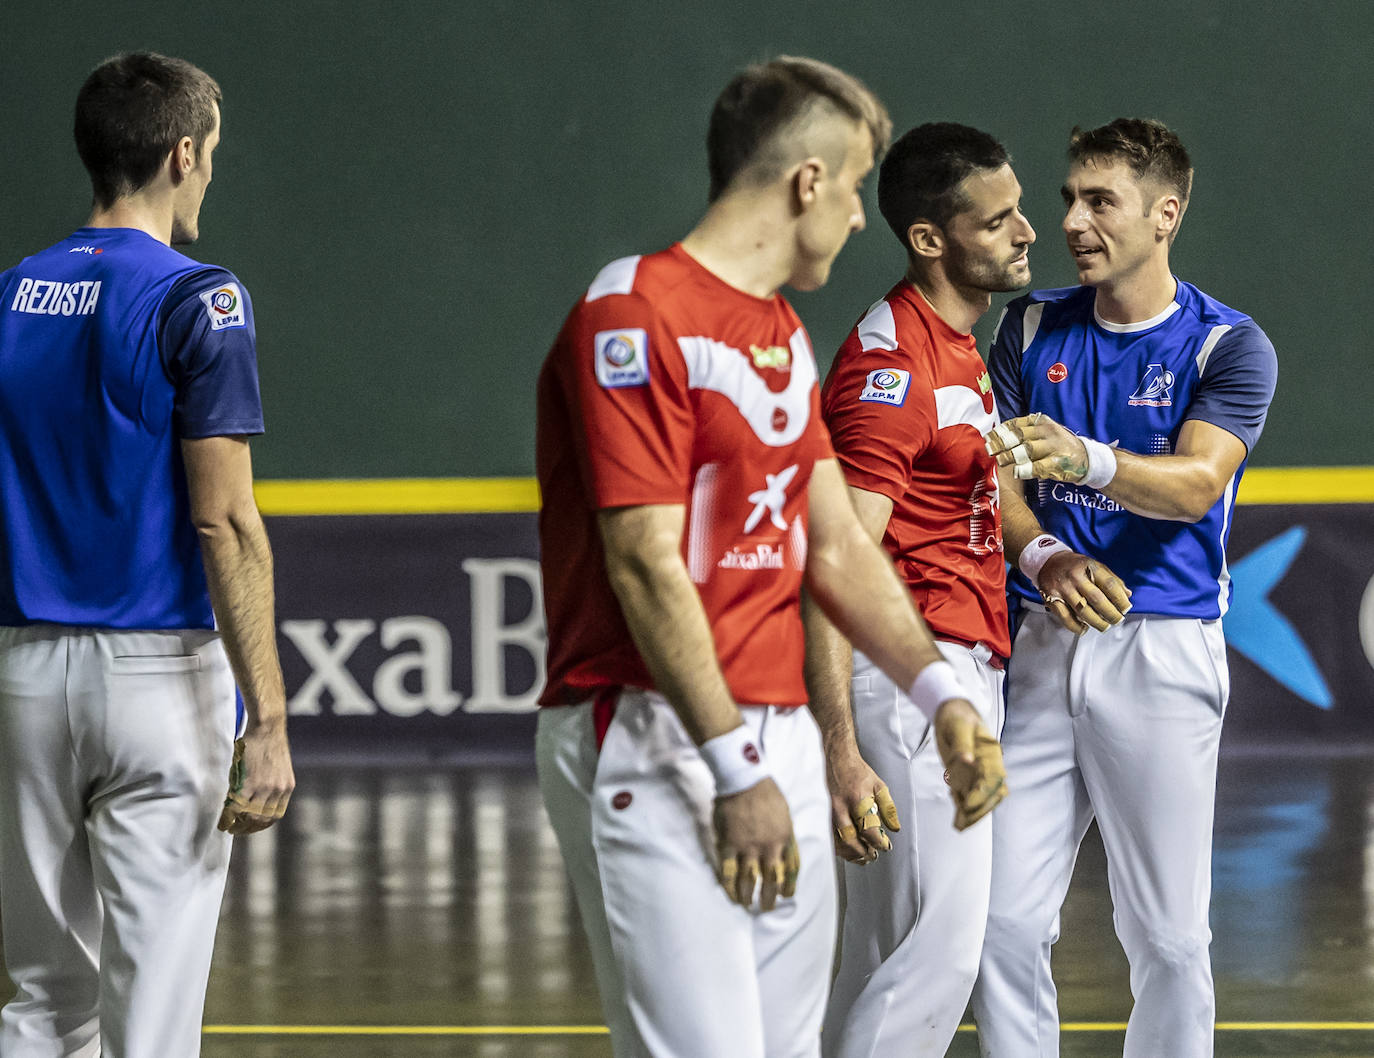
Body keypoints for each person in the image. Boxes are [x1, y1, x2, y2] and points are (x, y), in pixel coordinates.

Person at [534, 57, 1007, 1058]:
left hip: (778, 734)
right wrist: (731, 766)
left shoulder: (784, 334)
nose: (853, 219)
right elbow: (644, 562)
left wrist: (938, 694)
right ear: (807, 183)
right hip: (658, 734)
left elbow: (833, 541)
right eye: (851, 187)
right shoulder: (633, 311)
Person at [0, 52, 296, 1057]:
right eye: (211, 154)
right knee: (154, 1010)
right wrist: (271, 714)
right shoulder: (202, 301)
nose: (211, 171)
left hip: (20, 678)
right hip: (160, 677)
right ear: (182, 154)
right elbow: (226, 522)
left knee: (41, 998)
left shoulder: (5, 298)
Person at [970, 118, 1278, 1058]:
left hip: (1164, 649)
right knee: (1003, 925)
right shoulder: (1028, 325)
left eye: (1099, 200)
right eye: (1068, 197)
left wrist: (1090, 458)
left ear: (1165, 215)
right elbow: (1000, 482)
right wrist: (1042, 557)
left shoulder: (1228, 345)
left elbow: (1193, 486)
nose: (1071, 219)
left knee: (1170, 938)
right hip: (1042, 644)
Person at [808, 122, 1034, 1058]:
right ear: (930, 239)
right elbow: (834, 560)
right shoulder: (891, 368)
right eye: (999, 220)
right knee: (943, 947)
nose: (1027, 232)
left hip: (946, 670)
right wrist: (840, 747)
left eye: (1021, 209)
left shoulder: (957, 350)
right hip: (907, 683)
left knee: (885, 953)